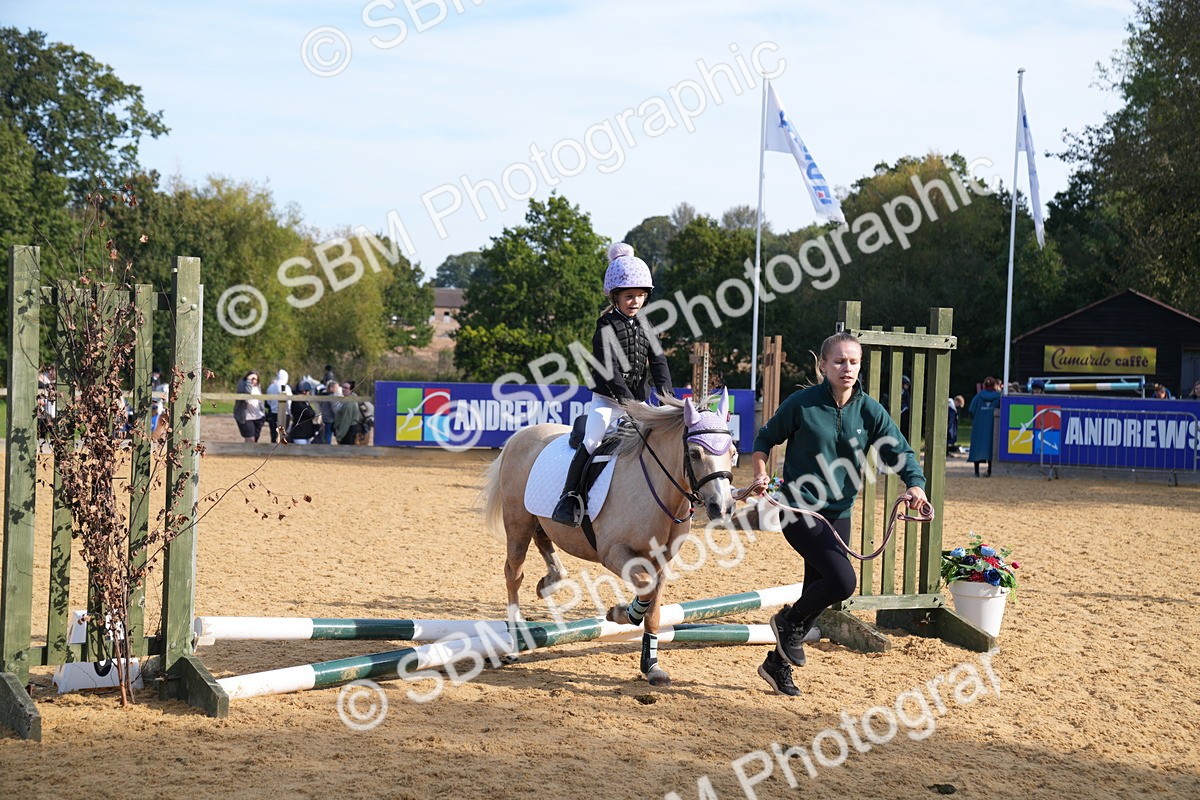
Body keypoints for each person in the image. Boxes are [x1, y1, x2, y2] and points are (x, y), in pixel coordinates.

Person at [747, 331, 928, 697]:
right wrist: (761, 474)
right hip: (798, 508)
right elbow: (764, 440)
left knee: (817, 587)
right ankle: (787, 621)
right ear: (823, 366)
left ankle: (777, 665)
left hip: (840, 512)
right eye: (840, 361)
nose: (847, 368)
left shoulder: (870, 410)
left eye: (854, 361)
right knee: (843, 583)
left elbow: (902, 453)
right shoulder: (801, 404)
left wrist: (915, 484)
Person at [551, 242, 675, 526]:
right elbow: (610, 371)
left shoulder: (646, 326)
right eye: (629, 296)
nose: (635, 302)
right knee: (593, 441)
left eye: (641, 296)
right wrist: (628, 403)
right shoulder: (605, 326)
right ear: (615, 296)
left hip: (638, 402)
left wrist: (667, 398)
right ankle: (570, 497)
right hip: (607, 401)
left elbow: (659, 363)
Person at [968, 377, 1002, 477]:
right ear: (994, 385)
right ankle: (990, 471)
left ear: (984, 385)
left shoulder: (978, 396)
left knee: (977, 447)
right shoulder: (999, 397)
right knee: (991, 447)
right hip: (992, 427)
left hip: (979, 426)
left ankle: (976, 472)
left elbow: (971, 409)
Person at [233, 371, 265, 442]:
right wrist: (248, 381)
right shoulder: (242, 385)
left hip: (258, 417)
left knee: (254, 441)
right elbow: (247, 393)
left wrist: (263, 413)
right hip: (245, 417)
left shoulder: (258, 386)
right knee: (250, 440)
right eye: (252, 378)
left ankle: (247, 453)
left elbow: (260, 401)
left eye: (255, 379)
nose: (254, 381)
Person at [265, 369, 292, 443]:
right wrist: (290, 412)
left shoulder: (271, 386)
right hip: (284, 414)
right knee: (282, 435)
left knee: (273, 434)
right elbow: (289, 402)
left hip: (273, 413)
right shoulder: (287, 388)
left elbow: (268, 401)